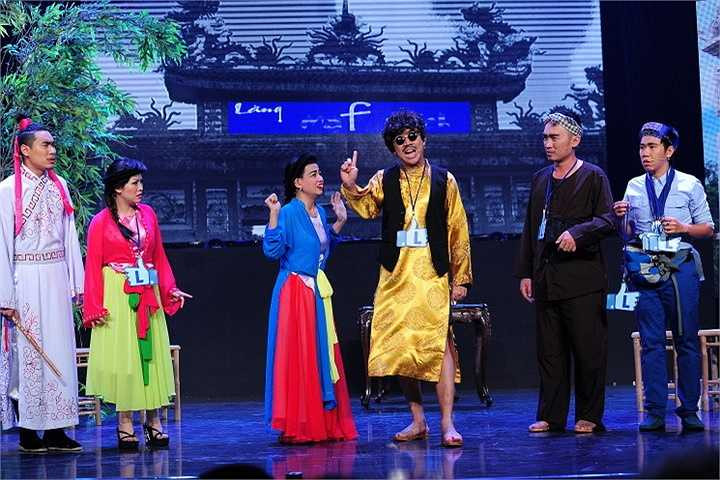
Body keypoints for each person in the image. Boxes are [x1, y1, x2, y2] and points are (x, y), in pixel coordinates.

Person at [340, 110, 472, 447]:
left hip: (432, 274)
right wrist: (351, 185)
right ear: (393, 148)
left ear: (423, 140)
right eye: (400, 140)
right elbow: (367, 208)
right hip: (396, 274)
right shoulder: (384, 178)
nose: (408, 143)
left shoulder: (445, 180)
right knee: (402, 347)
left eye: (413, 136)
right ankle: (418, 420)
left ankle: (447, 423)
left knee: (440, 344)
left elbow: (458, 230)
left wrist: (461, 279)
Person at [514, 111, 615, 433]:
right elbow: (531, 228)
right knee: (550, 352)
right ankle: (551, 415)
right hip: (547, 277)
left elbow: (608, 220)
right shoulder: (541, 178)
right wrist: (526, 272)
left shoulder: (593, 176)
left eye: (554, 137)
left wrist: (578, 234)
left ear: (575, 140)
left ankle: (589, 415)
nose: (548, 143)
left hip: (582, 278)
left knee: (587, 350)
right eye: (545, 137)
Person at [82, 157, 192, 449]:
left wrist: (169, 289)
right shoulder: (100, 222)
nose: (140, 187)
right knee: (126, 358)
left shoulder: (148, 215)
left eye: (141, 182)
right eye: (135, 182)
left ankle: (154, 420)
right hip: (117, 294)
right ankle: (125, 422)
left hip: (147, 290)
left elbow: (158, 257)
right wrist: (93, 306)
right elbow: (93, 267)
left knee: (150, 355)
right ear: (119, 188)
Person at [613, 122, 714, 432]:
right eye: (642, 147)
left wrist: (684, 228)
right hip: (645, 267)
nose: (645, 153)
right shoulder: (633, 186)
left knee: (686, 339)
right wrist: (621, 219)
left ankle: (689, 410)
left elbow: (708, 228)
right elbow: (627, 234)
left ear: (669, 151)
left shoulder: (689, 184)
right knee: (651, 342)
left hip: (680, 266)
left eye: (652, 147)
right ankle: (655, 412)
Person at [0, 116, 84, 453]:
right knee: (29, 352)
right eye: (45, 145)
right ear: (24, 150)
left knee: (60, 350)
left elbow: (69, 236)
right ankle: (28, 429)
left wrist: (75, 282)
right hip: (25, 276)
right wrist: (5, 295)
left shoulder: (59, 185)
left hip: (55, 275)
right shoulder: (8, 190)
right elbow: (2, 244)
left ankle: (57, 429)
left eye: (53, 145)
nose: (52, 150)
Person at [263, 153, 357, 444]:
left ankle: (324, 422)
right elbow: (272, 251)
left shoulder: (320, 213)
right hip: (295, 292)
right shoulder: (289, 212)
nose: (320, 179)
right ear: (298, 182)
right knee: (300, 357)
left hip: (317, 291)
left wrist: (340, 221)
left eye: (319, 173)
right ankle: (300, 423)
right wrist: (273, 215)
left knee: (321, 354)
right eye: (313, 174)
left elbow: (320, 250)